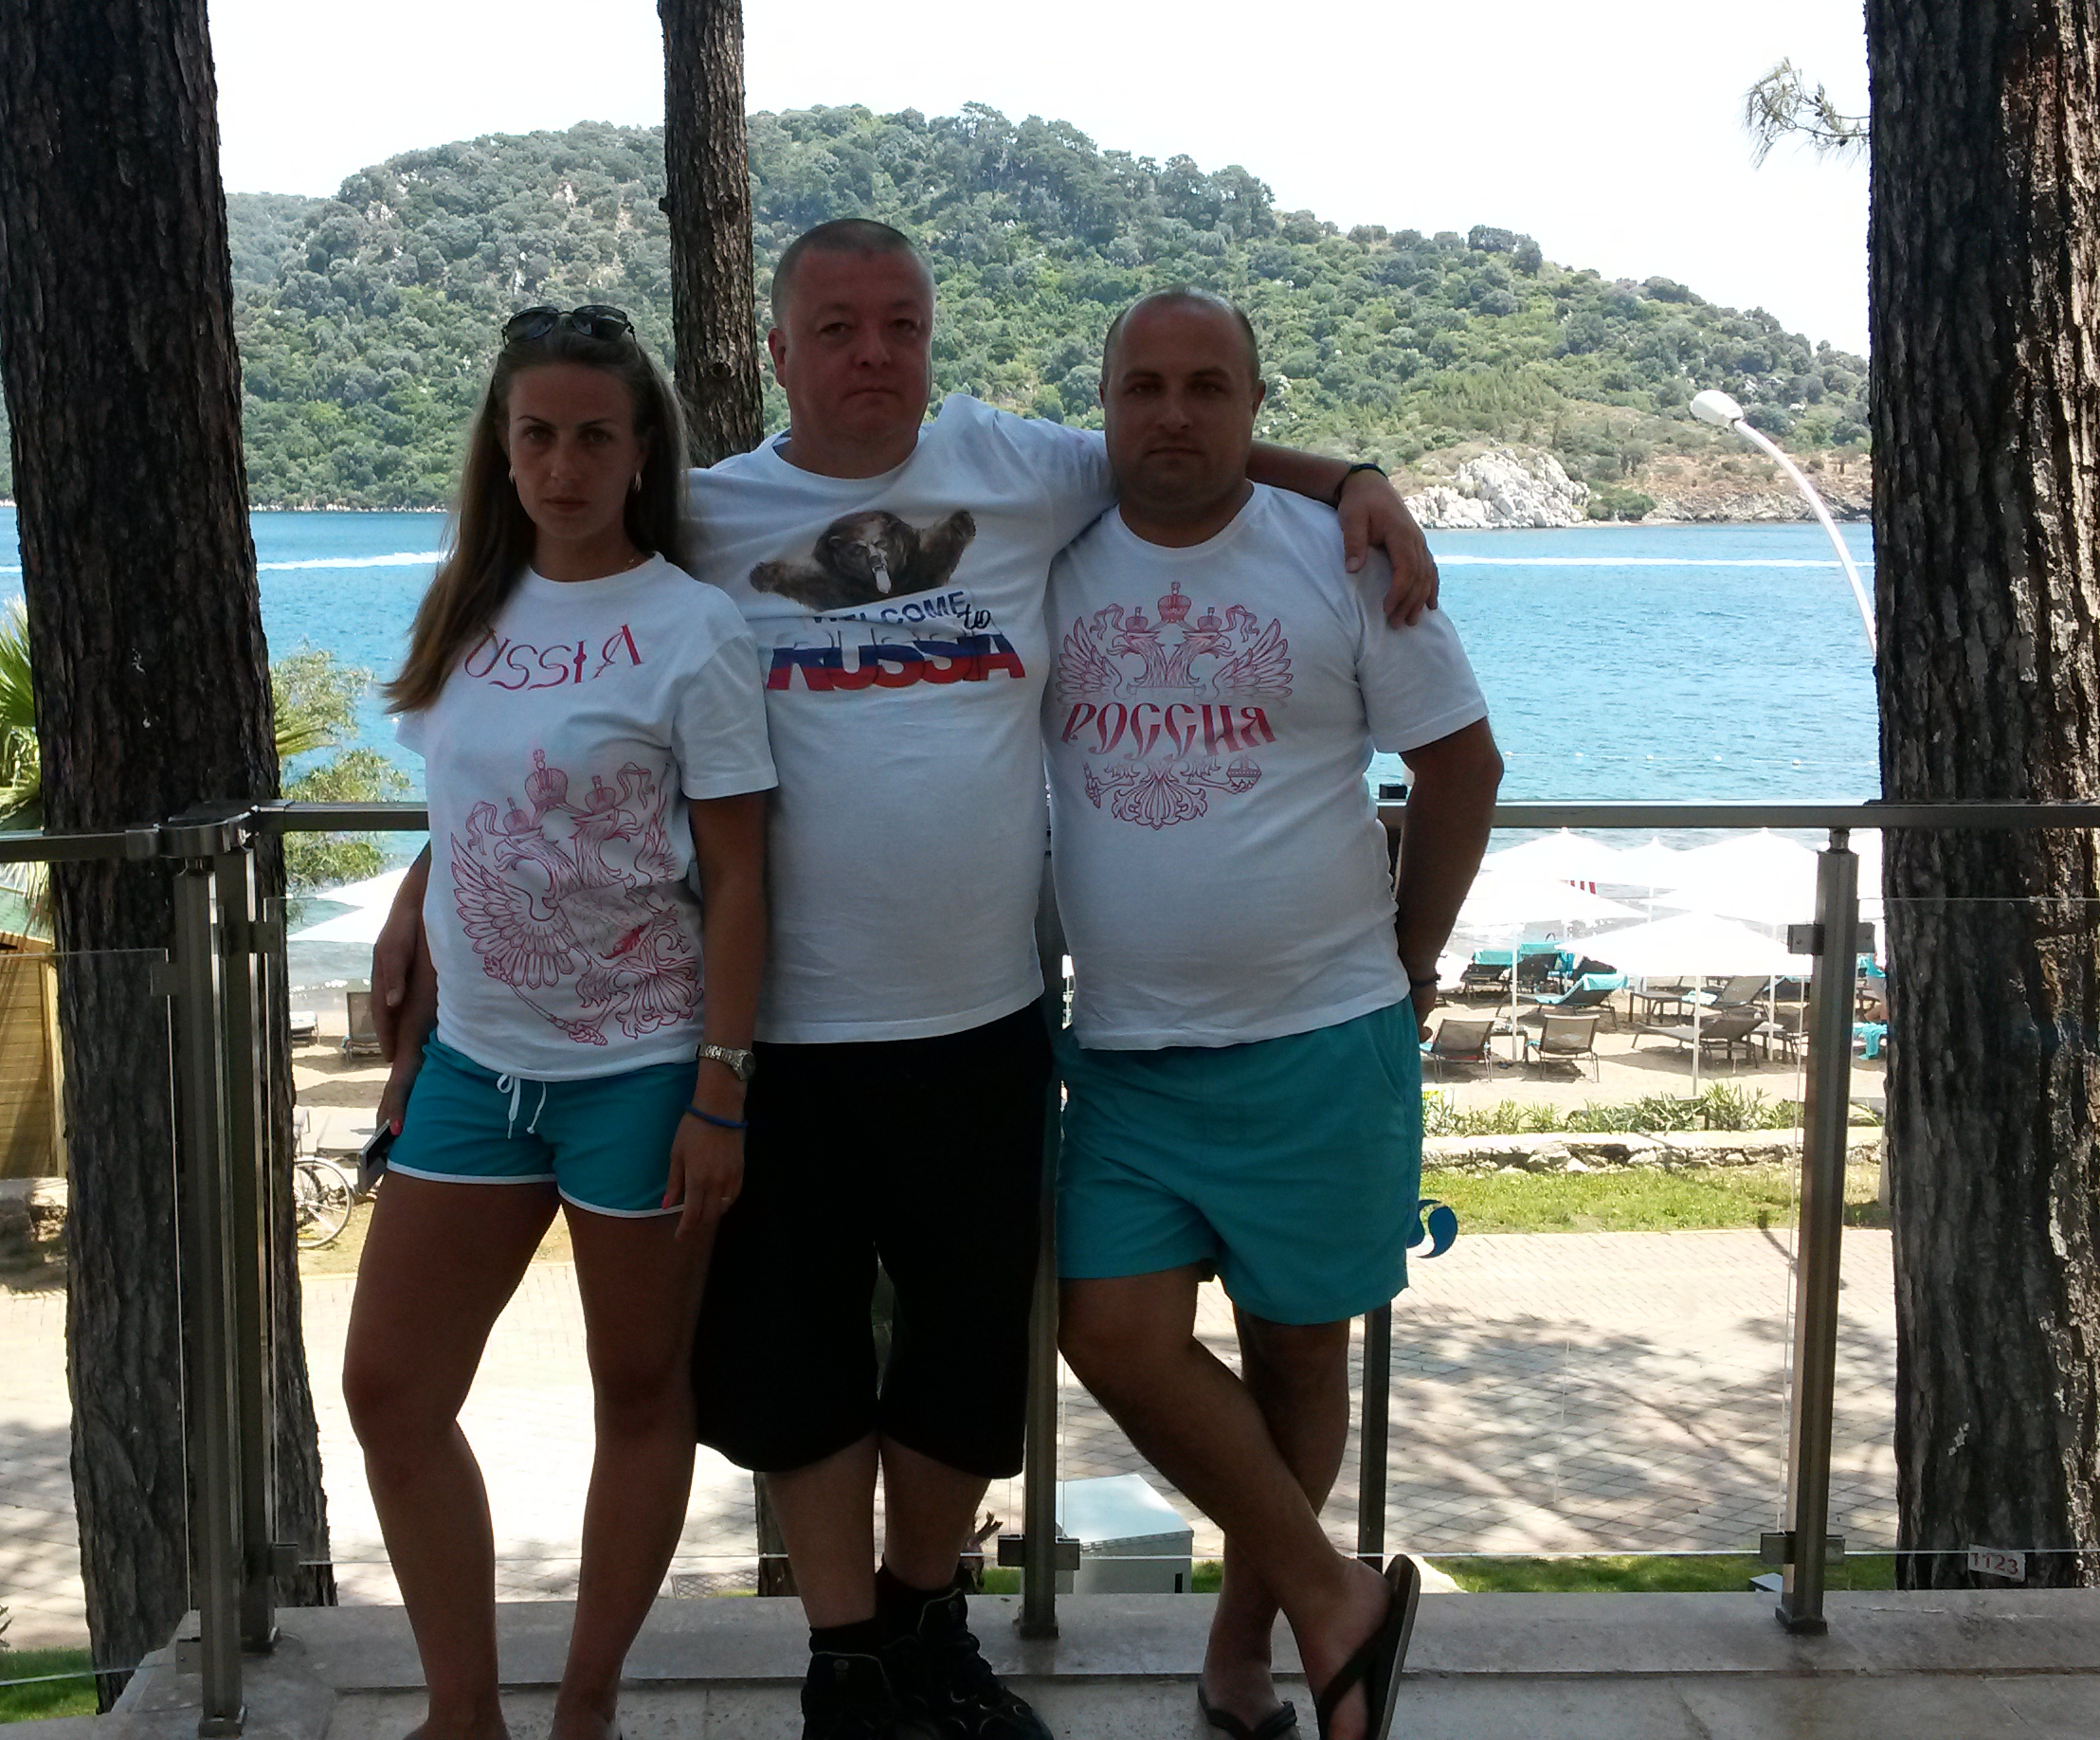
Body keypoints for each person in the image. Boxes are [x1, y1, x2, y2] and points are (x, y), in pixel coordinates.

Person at [377, 220, 1443, 1740]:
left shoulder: (1015, 467)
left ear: (934, 340)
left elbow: (1181, 451)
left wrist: (1349, 480)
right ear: (780, 350)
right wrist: (434, 875)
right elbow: (552, 686)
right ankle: (847, 1662)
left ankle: (928, 1628)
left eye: (901, 324)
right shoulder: (703, 513)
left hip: (981, 1018)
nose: (872, 353)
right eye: (837, 328)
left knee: (959, 1364)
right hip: (779, 1034)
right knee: (797, 1366)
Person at [1043, 289, 1499, 1740]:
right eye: (1144, 386)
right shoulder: (1045, 548)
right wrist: (1353, 466)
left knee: (1299, 1355)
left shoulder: (1337, 556)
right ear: (1104, 405)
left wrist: (1413, 962)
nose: (1174, 412)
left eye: (1208, 386)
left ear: (1254, 403)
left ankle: (1251, 1651)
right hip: (1126, 1055)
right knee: (1110, 1334)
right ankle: (1334, 1595)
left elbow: (1463, 766)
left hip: (1323, 1040)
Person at [341, 302, 774, 1740]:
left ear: (642, 449)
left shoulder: (693, 629)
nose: (565, 465)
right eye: (538, 435)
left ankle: (585, 1705)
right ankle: (463, 1714)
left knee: (638, 1393)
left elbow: (739, 874)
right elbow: (470, 796)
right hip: (476, 1067)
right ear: (504, 448)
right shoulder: (471, 607)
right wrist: (415, 901)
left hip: (640, 1073)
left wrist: (720, 1090)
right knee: (392, 1390)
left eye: (596, 435)